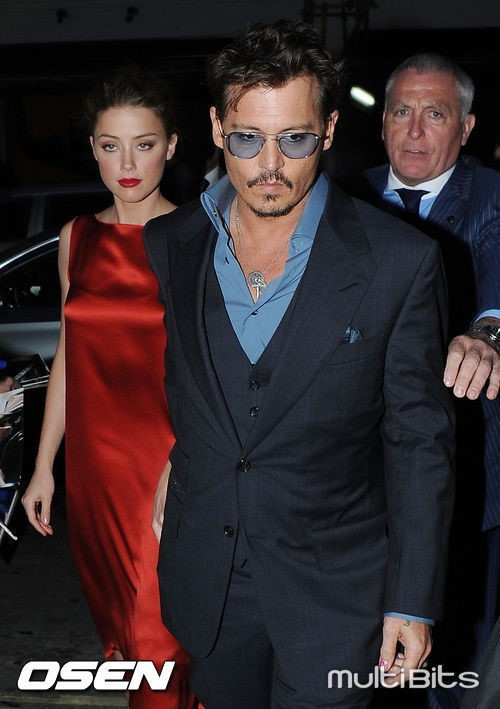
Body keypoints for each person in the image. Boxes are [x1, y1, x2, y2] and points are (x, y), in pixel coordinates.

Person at [143, 21, 455, 708]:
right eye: (247, 139)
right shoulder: (172, 243)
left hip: (336, 593)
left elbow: (418, 442)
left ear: (330, 129)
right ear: (217, 128)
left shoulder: (400, 261)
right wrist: (181, 459)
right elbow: (189, 386)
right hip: (209, 585)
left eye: (295, 139)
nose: (270, 165)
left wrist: (413, 600)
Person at [22, 66, 198, 709]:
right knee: (126, 635)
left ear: (171, 146)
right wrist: (44, 466)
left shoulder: (197, 237)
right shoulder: (77, 237)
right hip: (95, 471)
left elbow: (212, 370)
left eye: (143, 145)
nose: (126, 164)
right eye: (109, 145)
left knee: (159, 640)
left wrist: (185, 461)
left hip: (169, 464)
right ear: (92, 148)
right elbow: (70, 354)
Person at [354, 53, 500, 707]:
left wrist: (488, 334)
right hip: (354, 484)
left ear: (465, 128)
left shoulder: (492, 198)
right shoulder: (340, 197)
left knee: (456, 667)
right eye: (402, 112)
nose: (414, 130)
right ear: (383, 121)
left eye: (434, 114)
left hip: (464, 479)